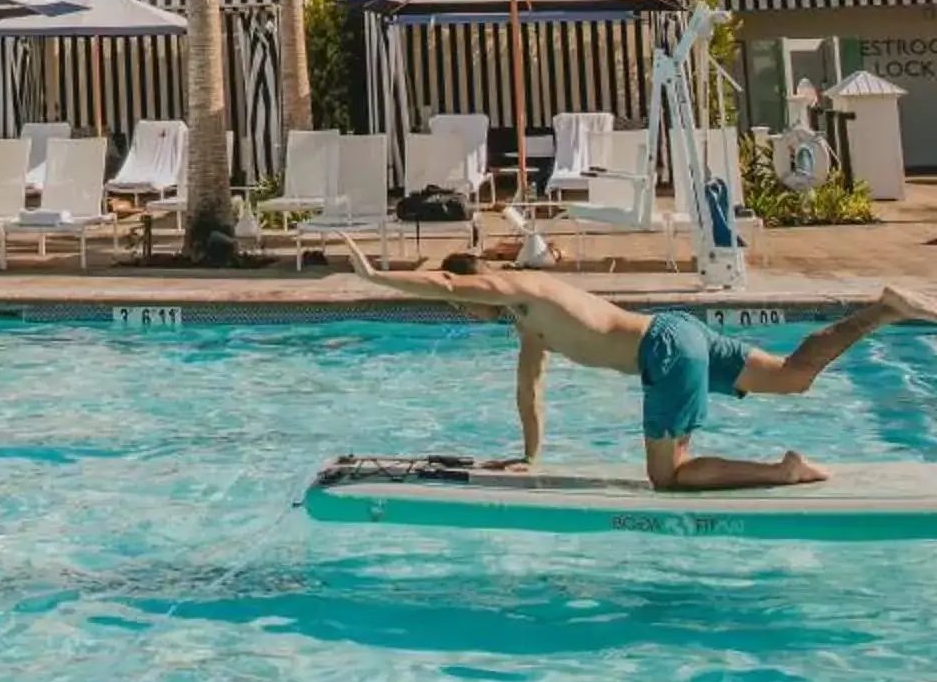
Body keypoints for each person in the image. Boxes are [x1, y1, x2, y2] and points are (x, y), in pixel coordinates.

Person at [343, 243, 930, 492]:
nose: (459, 310)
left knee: (667, 479)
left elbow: (447, 280)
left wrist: (375, 275)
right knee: (794, 375)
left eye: (459, 301)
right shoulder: (528, 320)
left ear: (477, 285)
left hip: (665, 352)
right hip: (676, 330)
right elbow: (531, 388)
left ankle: (785, 470)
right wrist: (529, 456)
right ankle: (880, 311)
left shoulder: (520, 286)